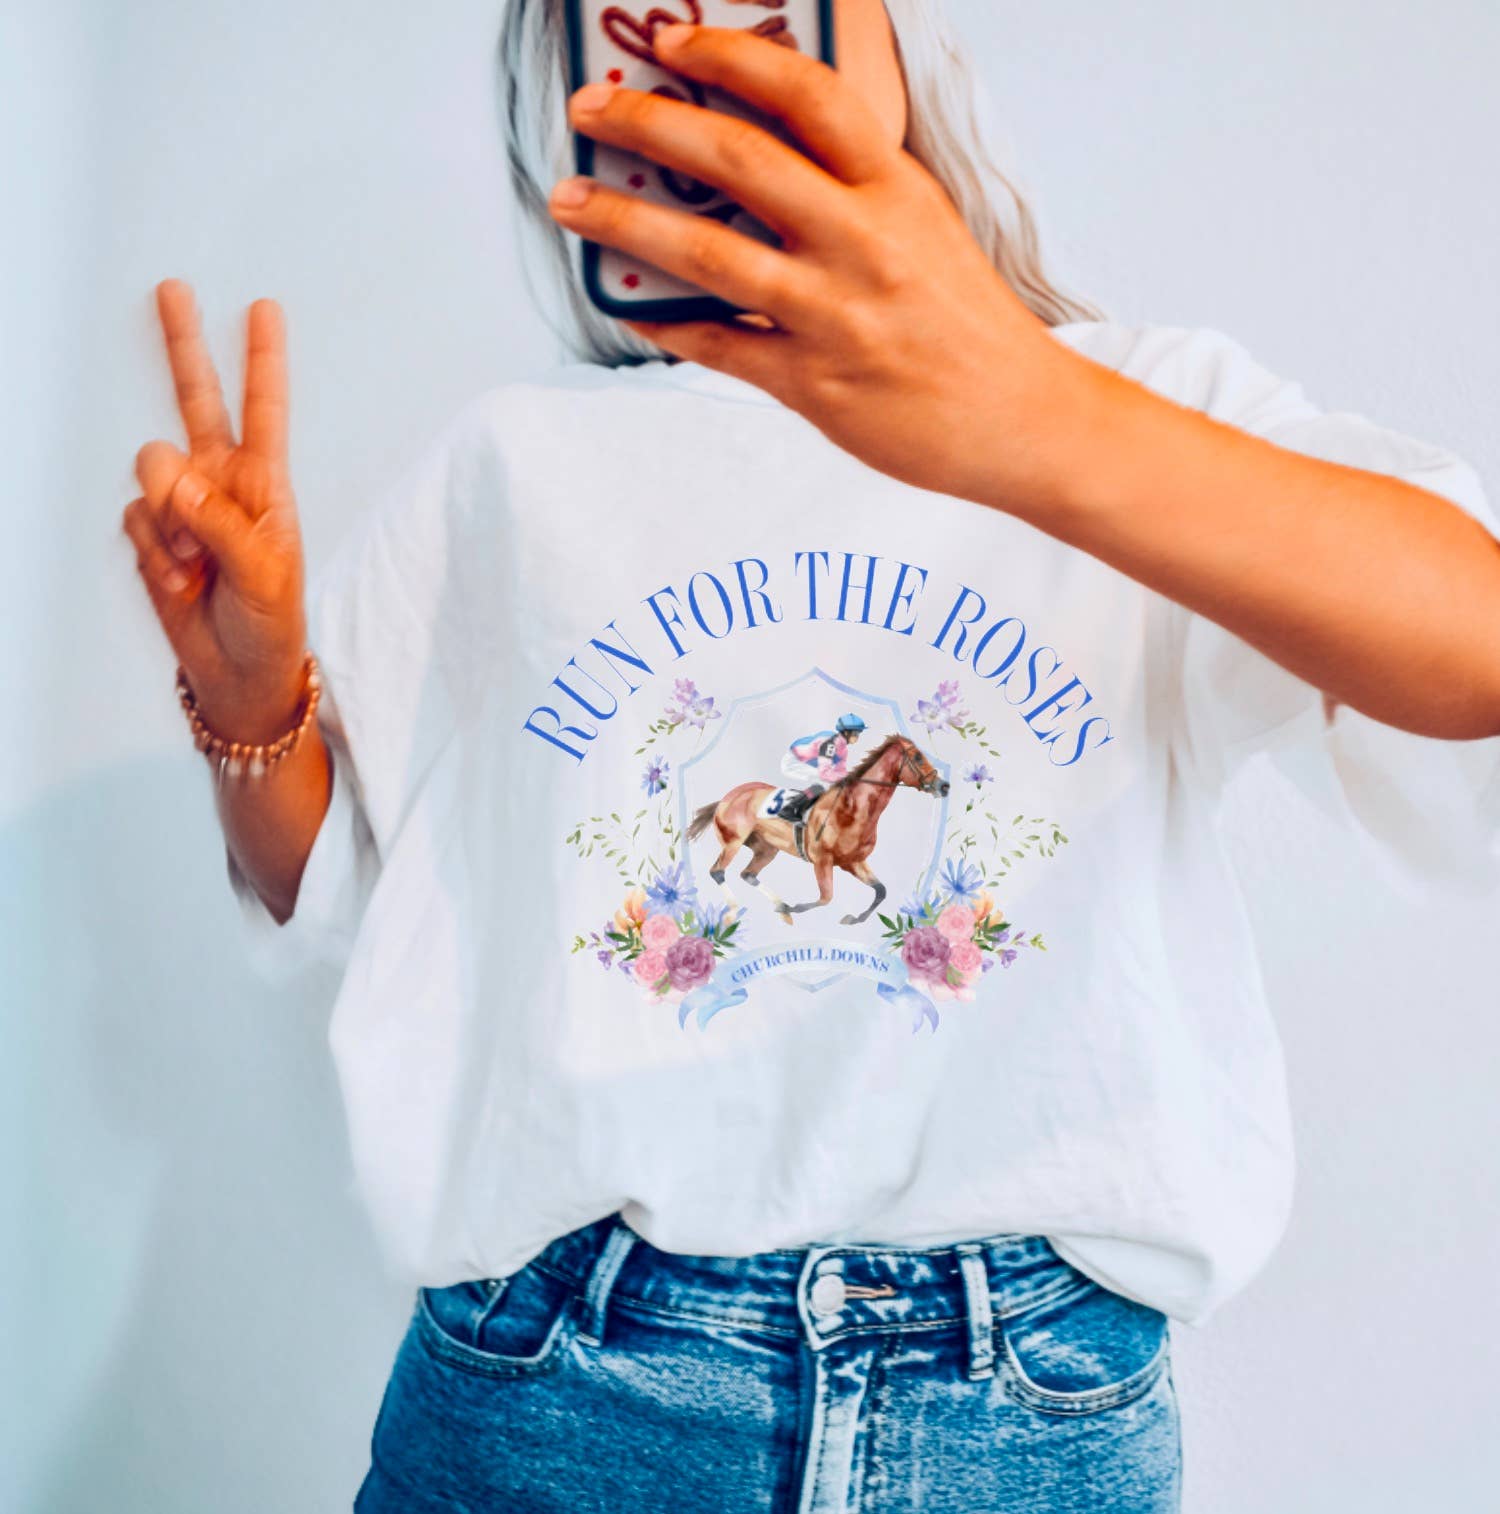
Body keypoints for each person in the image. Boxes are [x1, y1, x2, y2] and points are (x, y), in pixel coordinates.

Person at [121, 3, 1500, 1510]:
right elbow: (333, 888)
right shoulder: (511, 462)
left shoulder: (1150, 416)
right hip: (563, 1388)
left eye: (779, 20)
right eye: (651, 38)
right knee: (792, 814)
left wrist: (1032, 408)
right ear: (576, 99)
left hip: (1026, 1411)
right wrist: (248, 697)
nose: (725, 56)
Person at [774, 710, 867, 824]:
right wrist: (844, 778)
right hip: (793, 762)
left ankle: (808, 808)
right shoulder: (830, 743)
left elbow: (840, 771)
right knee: (823, 783)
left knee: (835, 785)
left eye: (858, 733)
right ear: (846, 732)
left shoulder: (843, 749)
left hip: (806, 764)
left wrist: (852, 778)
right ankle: (788, 810)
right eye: (856, 733)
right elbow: (825, 773)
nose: (857, 737)